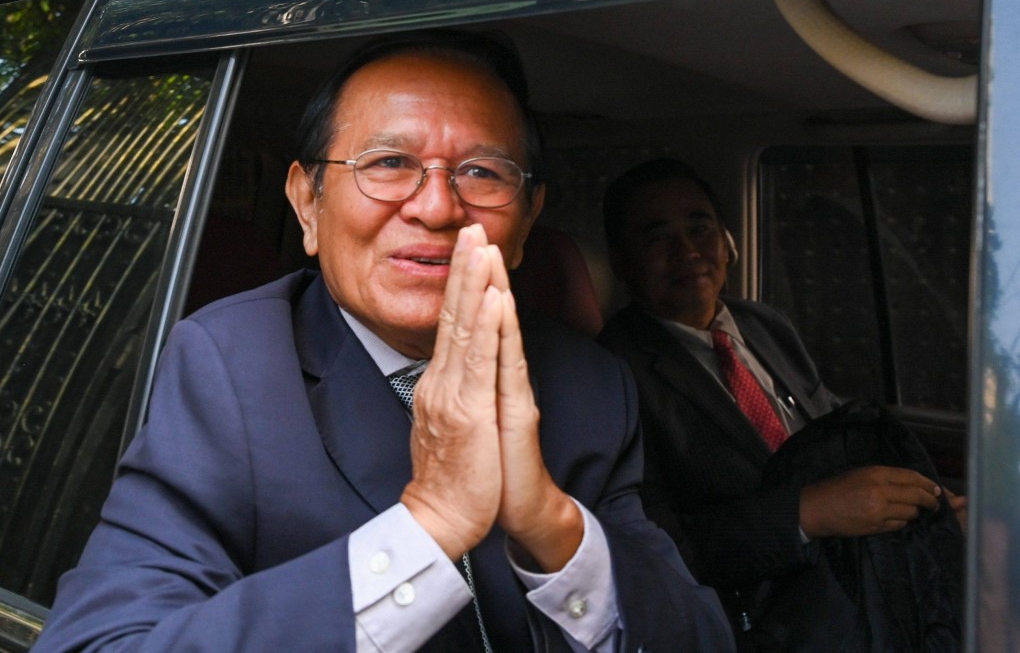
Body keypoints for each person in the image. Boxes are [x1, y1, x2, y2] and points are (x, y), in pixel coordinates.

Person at [33, 33, 733, 652]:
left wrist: (552, 526)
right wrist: (430, 524)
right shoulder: (229, 365)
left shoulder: (591, 383)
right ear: (308, 203)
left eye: (483, 173)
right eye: (390, 162)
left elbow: (698, 634)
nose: (435, 206)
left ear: (525, 224)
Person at [596, 158, 964, 647]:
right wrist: (808, 513)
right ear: (623, 264)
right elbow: (656, 548)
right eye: (657, 237)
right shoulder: (613, 370)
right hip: (766, 611)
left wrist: (925, 503)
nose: (687, 251)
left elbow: (835, 432)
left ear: (728, 244)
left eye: (700, 227)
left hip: (856, 573)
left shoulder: (764, 325)